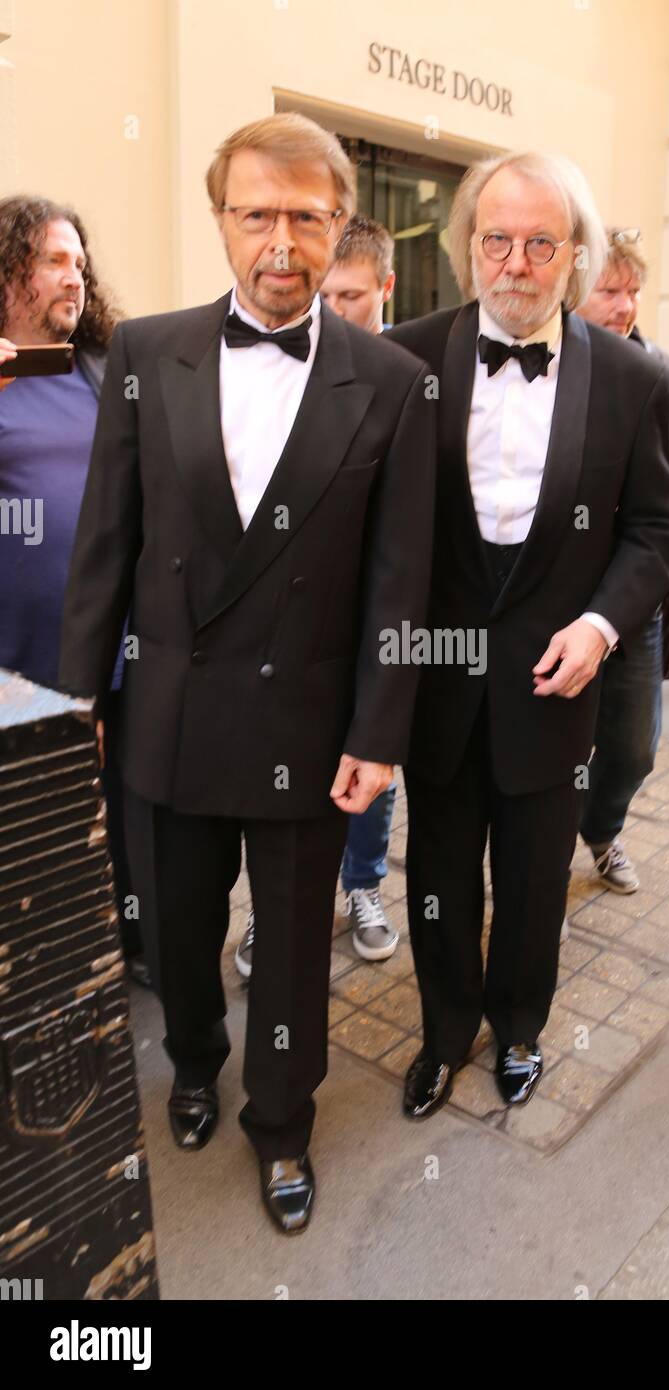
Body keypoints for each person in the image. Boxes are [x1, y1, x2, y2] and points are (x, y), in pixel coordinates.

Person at [59, 112, 435, 1234]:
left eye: (305, 217)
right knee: (176, 928)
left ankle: (280, 1121)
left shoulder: (393, 379)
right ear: (221, 218)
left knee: (287, 946)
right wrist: (83, 698)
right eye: (256, 213)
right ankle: (190, 1062)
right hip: (167, 706)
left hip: (308, 722)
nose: (280, 240)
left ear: (338, 227)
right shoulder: (145, 351)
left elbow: (398, 581)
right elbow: (104, 538)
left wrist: (378, 731)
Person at [389, 152, 669, 1119]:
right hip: (437, 684)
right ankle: (442, 1032)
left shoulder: (631, 378)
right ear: (470, 247)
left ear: (573, 257)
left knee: (530, 878)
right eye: (496, 240)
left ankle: (518, 1028)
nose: (514, 263)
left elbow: (653, 528)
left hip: (558, 684)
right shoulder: (409, 356)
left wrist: (602, 628)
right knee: (435, 872)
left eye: (539, 244)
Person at [234, 214, 400, 982]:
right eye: (324, 296)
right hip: (275, 622)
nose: (333, 312)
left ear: (383, 290)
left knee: (365, 763)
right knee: (277, 787)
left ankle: (364, 886)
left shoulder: (400, 376)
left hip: (364, 622)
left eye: (351, 297)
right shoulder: (267, 361)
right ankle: (273, 911)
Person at [0, 195, 148, 985]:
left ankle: (134, 944)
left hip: (122, 636)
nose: (75, 277)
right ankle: (54, 966)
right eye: (55, 260)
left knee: (129, 808)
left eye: (81, 263)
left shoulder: (102, 366)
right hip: (24, 650)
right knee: (47, 815)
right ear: (10, 269)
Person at [575, 227, 669, 892]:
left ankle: (601, 828)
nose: (623, 305)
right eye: (609, 290)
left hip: (638, 596)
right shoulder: (553, 364)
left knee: (632, 746)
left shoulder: (658, 368)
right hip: (558, 596)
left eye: (632, 292)